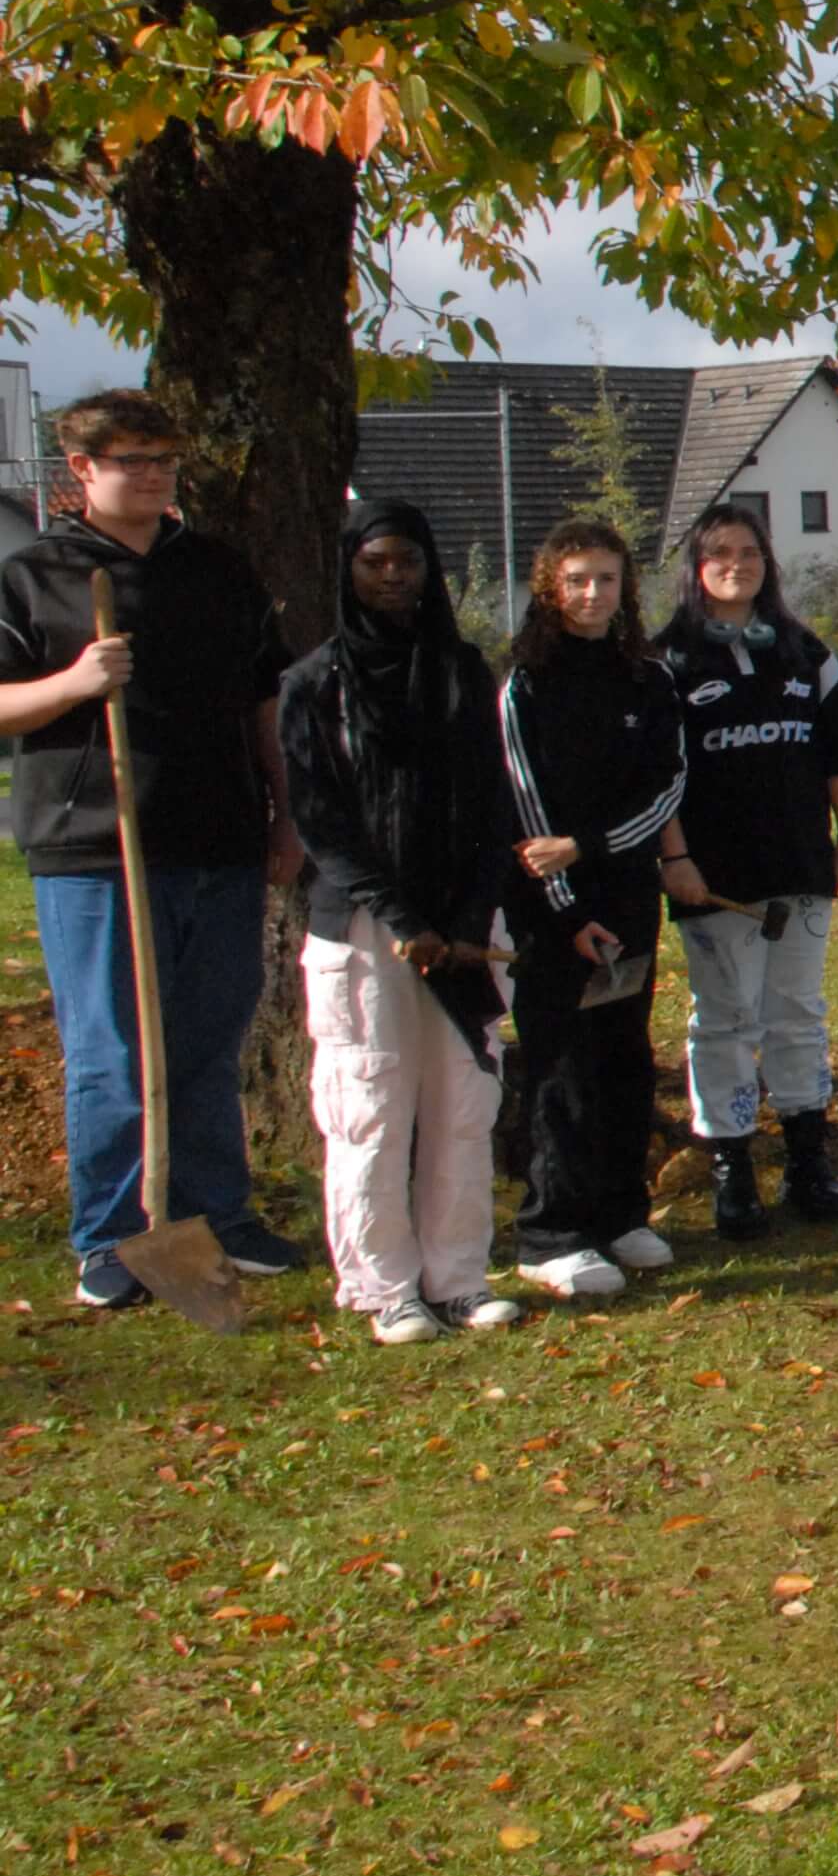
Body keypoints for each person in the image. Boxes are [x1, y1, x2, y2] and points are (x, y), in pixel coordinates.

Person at [0, 388, 307, 1310]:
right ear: (81, 471)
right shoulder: (38, 574)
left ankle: (221, 1213)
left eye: (164, 460)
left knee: (209, 1041)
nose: (151, 475)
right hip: (94, 846)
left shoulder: (215, 570)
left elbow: (265, 702)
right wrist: (72, 682)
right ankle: (109, 1236)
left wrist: (284, 815)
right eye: (131, 459)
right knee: (112, 1054)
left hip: (217, 838)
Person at [278, 499, 520, 1340]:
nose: (392, 576)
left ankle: (456, 1277)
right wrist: (400, 916)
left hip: (460, 925)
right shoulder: (314, 685)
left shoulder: (461, 669)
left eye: (407, 562)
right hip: (364, 928)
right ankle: (384, 1288)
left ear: (430, 570)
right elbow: (321, 821)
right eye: (375, 561)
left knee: (461, 1103)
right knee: (371, 1107)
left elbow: (496, 803)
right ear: (349, 569)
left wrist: (464, 913)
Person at [657, 502, 838, 1241]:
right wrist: (675, 857)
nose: (736, 566)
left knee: (798, 1015)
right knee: (724, 1020)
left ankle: (808, 1162)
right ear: (695, 567)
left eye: (749, 553)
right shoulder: (667, 662)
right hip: (715, 878)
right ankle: (732, 1169)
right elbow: (660, 777)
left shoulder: (804, 651)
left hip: (801, 866)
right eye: (720, 554)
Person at [499, 519, 691, 1302]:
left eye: (606, 579)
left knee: (623, 1055)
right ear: (551, 586)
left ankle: (619, 1213)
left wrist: (593, 849)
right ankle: (552, 1232)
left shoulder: (649, 680)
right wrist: (568, 902)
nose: (591, 594)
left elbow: (667, 788)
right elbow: (524, 807)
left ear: (626, 588)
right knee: (561, 1066)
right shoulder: (524, 682)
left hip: (627, 895)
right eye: (577, 579)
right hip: (555, 909)